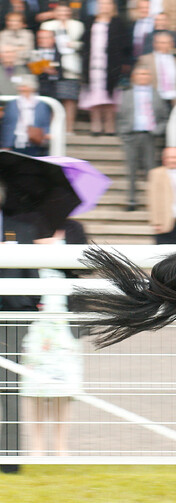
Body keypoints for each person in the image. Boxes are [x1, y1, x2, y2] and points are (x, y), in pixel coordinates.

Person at [21, 227, 86, 457]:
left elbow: (86, 264)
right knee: (35, 386)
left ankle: (60, 445)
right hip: (34, 321)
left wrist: (59, 247)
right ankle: (37, 446)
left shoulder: (74, 229)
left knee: (62, 387)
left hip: (64, 321)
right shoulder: (24, 227)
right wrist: (37, 243)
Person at [0, 180, 39, 474]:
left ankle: (9, 460)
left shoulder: (21, 230)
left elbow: (33, 284)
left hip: (12, 322)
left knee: (9, 390)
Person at [116, 66, 168, 212]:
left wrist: (158, 130)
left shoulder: (157, 95)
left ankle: (154, 200)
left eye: (146, 73)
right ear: (134, 76)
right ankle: (131, 200)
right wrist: (123, 134)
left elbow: (164, 117)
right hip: (131, 135)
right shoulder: (126, 94)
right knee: (131, 170)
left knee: (151, 170)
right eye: (140, 73)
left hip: (150, 136)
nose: (143, 76)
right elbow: (120, 117)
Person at [79, 0, 128, 137]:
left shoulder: (118, 22)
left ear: (112, 6)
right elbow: (85, 42)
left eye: (108, 4)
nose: (104, 7)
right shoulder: (91, 21)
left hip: (111, 64)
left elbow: (123, 45)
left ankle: (109, 126)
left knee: (109, 97)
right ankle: (96, 125)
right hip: (93, 63)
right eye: (102, 4)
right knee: (95, 95)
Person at [39, 4, 84, 133]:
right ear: (54, 12)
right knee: (53, 100)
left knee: (69, 99)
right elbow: (43, 45)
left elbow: (81, 43)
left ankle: (69, 129)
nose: (63, 14)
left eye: (66, 11)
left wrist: (72, 44)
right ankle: (53, 130)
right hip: (51, 66)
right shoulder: (47, 25)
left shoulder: (77, 25)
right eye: (60, 11)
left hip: (70, 67)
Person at [0, 75, 52, 156]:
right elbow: (7, 125)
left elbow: (45, 122)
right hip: (15, 141)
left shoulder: (41, 104)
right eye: (20, 87)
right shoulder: (12, 104)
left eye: (24, 86)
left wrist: (46, 134)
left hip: (34, 142)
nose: (22, 89)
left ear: (31, 88)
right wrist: (5, 145)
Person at [137, 31, 176, 108]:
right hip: (154, 99)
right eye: (160, 42)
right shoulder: (145, 59)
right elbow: (138, 80)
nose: (162, 45)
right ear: (154, 44)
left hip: (175, 100)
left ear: (172, 44)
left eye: (166, 43)